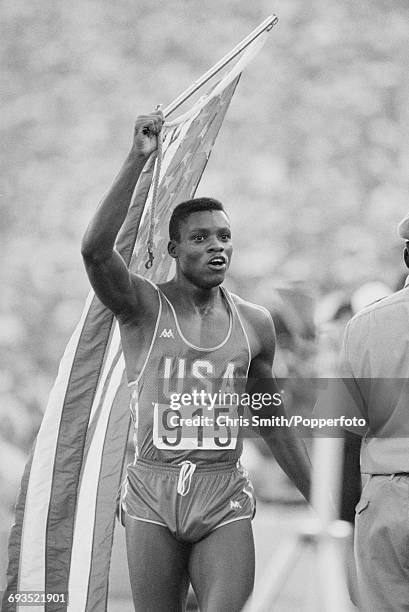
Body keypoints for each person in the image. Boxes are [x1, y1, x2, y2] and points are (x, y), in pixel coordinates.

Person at [81, 110, 311, 612]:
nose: (217, 247)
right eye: (202, 238)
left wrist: (325, 500)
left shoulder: (256, 323)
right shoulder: (142, 307)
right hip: (151, 492)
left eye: (224, 237)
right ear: (174, 248)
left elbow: (272, 423)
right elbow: (96, 252)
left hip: (222, 490)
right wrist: (135, 161)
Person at [318, 212, 409, 611]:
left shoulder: (365, 325)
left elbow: (339, 438)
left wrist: (342, 529)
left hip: (386, 501)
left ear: (407, 256)